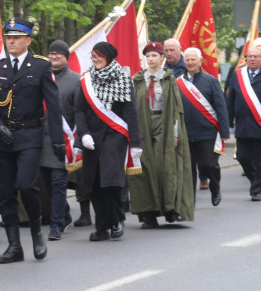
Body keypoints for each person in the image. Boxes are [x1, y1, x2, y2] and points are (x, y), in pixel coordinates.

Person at [0, 17, 64, 262]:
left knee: (26, 185)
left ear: (28, 40)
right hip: (3, 138)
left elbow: (53, 105)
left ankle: (37, 233)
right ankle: (14, 246)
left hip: (30, 135)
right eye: (8, 38)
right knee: (5, 191)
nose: (11, 41)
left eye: (16, 37)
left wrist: (58, 140)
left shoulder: (40, 66)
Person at [73, 41, 141, 241]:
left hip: (115, 136)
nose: (96, 60)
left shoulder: (123, 79)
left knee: (111, 182)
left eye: (99, 56)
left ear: (109, 58)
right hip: (91, 138)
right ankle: (102, 226)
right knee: (93, 183)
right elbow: (79, 109)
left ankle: (117, 220)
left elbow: (131, 113)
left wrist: (136, 143)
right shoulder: (86, 80)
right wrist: (83, 134)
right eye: (93, 56)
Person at [130, 42, 192, 228]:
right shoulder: (139, 79)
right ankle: (148, 213)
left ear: (162, 58)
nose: (151, 59)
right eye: (148, 56)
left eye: (155, 56)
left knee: (165, 166)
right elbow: (132, 108)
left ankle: (170, 208)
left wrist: (174, 133)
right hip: (144, 125)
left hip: (163, 124)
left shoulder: (168, 79)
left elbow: (175, 108)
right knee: (145, 167)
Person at [226, 45, 261, 201]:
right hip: (243, 125)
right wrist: (228, 121)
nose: (252, 59)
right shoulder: (238, 75)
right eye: (249, 57)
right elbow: (231, 100)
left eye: (255, 57)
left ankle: (256, 190)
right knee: (242, 157)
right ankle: (256, 180)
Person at [178, 47, 229, 206]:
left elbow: (221, 107)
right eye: (187, 59)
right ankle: (189, 199)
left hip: (207, 133)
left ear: (200, 61)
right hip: (186, 132)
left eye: (193, 59)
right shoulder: (178, 82)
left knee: (209, 165)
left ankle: (215, 189)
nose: (190, 62)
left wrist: (224, 131)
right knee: (188, 168)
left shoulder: (211, 81)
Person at [39, 39, 80, 240]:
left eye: (59, 54)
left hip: (64, 141)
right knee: (47, 184)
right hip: (41, 141)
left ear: (66, 57)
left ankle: (56, 225)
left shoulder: (76, 80)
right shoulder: (41, 77)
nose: (54, 56)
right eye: (51, 53)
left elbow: (80, 112)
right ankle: (64, 215)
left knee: (57, 184)